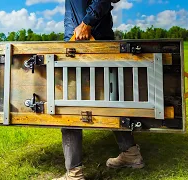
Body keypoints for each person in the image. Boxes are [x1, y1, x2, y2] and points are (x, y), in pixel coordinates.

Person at [53, 0, 144, 179]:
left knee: (70, 104)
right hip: (82, 39)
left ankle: (74, 173)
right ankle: (131, 154)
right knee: (110, 100)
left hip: (86, 41)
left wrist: (87, 23)